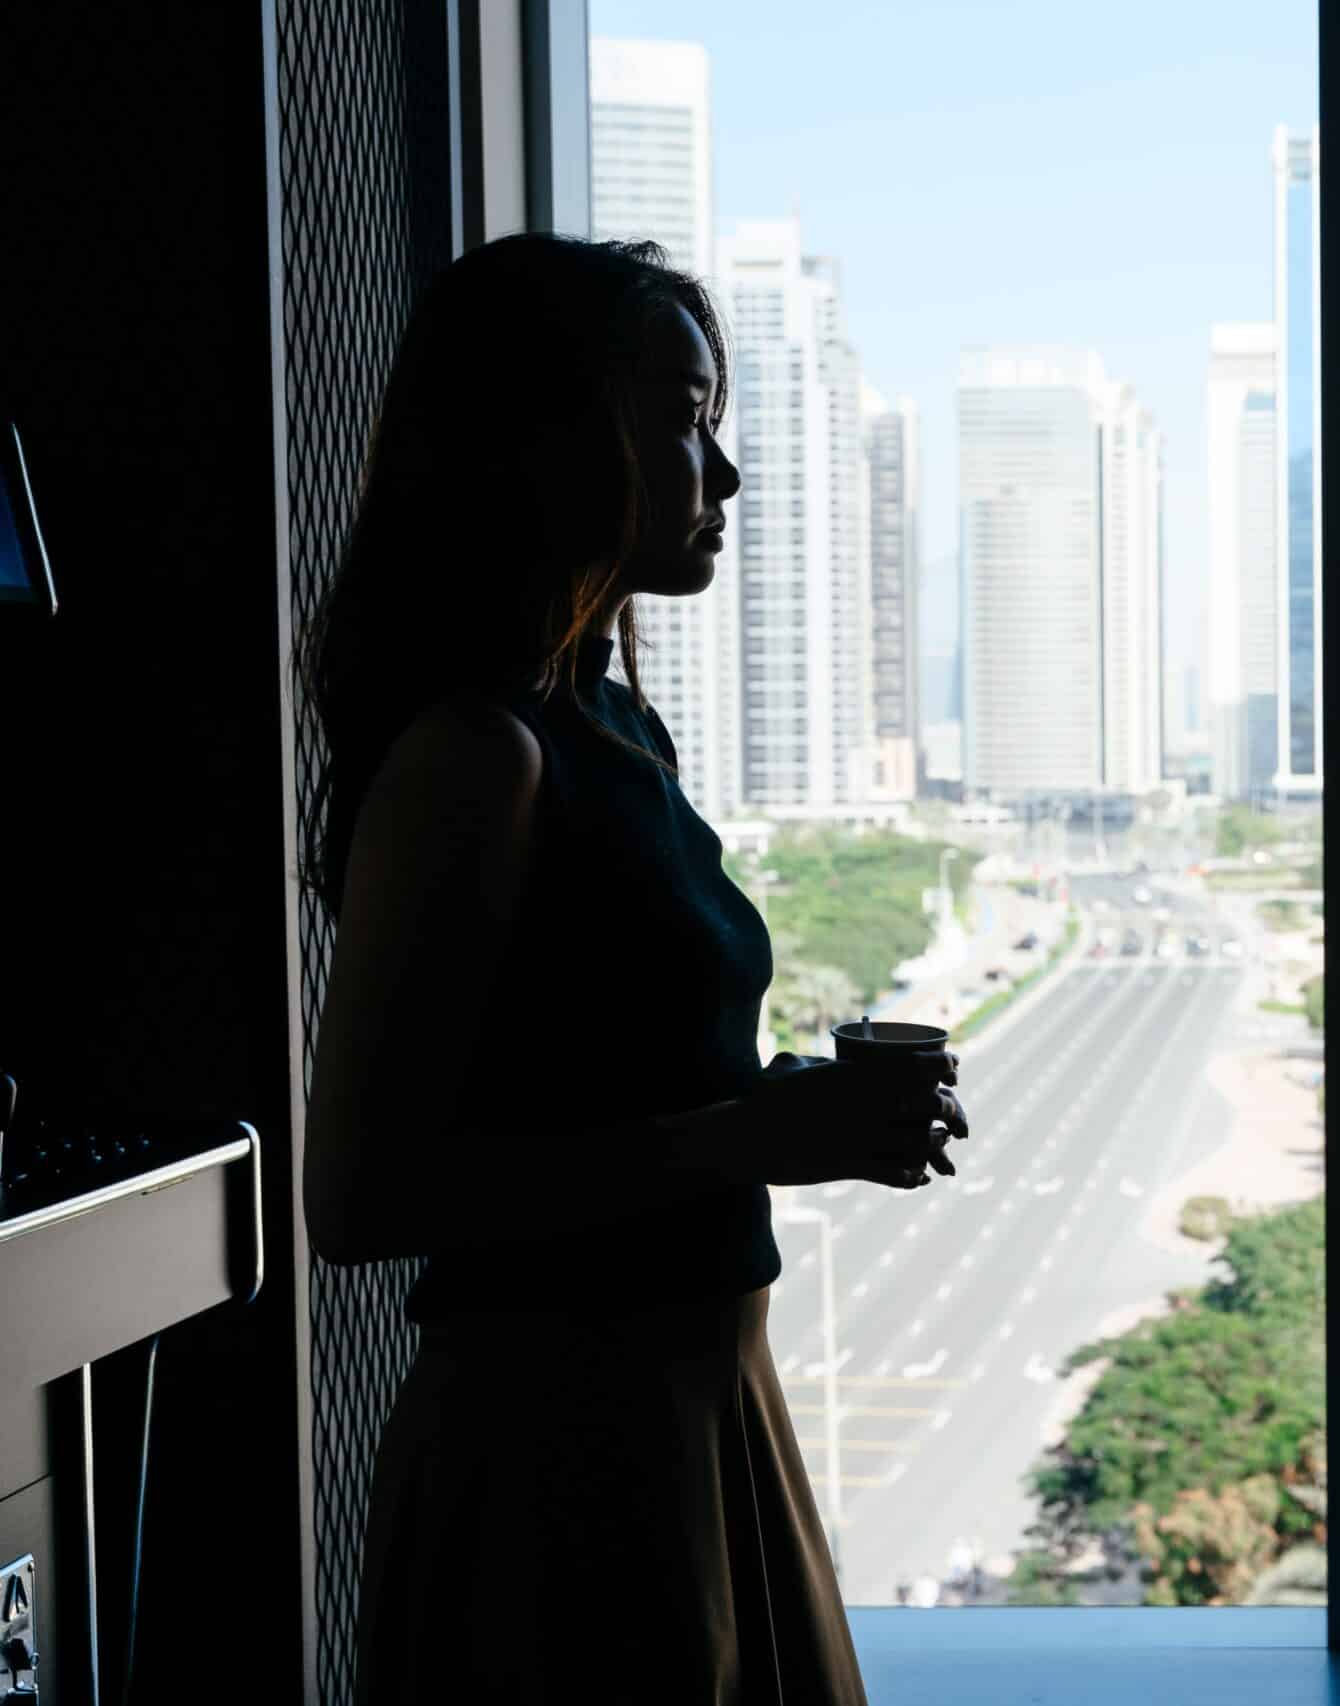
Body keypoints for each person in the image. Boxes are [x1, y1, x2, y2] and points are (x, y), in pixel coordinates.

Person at [298, 233, 966, 1704]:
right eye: (680, 416)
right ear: (540, 440)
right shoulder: (478, 760)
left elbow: (596, 1086)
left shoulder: (613, 733)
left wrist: (781, 1120)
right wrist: (758, 1135)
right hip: (563, 1462)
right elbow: (360, 1199)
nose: (721, 474)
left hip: (696, 1411)